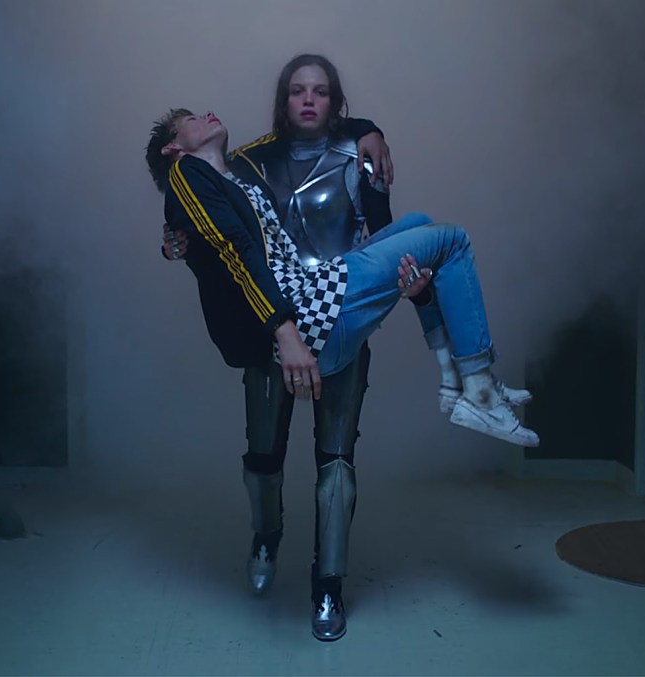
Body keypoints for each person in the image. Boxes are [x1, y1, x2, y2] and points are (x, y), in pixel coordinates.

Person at [152, 55, 430, 643]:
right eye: (298, 91)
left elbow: (380, 237)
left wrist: (368, 130)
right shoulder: (248, 160)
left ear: (335, 101)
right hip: (270, 320)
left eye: (321, 92)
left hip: (339, 313)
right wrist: (176, 240)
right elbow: (214, 218)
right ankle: (266, 536)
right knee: (263, 452)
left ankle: (328, 585)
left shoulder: (360, 155)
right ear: (283, 99)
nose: (309, 100)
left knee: (337, 460)